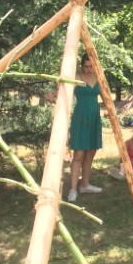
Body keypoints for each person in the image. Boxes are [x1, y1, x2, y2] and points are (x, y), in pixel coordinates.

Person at [46, 53, 104, 202]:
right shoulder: (77, 77)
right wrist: (52, 93)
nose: (88, 69)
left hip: (94, 118)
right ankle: (73, 189)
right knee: (79, 154)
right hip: (81, 117)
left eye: (91, 66)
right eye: (86, 66)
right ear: (82, 66)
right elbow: (63, 90)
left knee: (91, 153)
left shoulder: (100, 77)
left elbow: (107, 96)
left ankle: (85, 185)